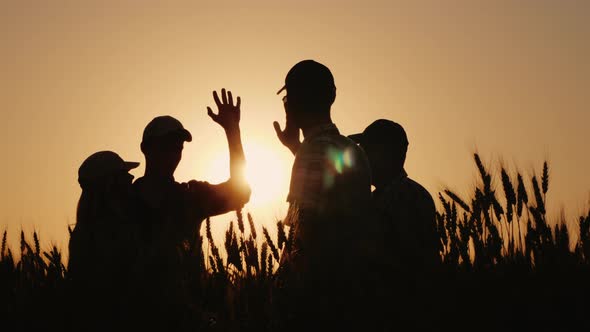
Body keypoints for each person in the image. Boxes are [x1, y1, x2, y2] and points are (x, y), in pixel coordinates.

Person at [130, 89, 251, 330]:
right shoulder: (123, 200)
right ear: (145, 148)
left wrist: (232, 131)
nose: (174, 153)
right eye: (166, 145)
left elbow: (240, 192)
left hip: (187, 318)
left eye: (178, 146)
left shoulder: (191, 196)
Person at [272, 60, 372, 329]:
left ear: (291, 103)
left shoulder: (312, 153)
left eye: (288, 97)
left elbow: (304, 233)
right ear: (332, 96)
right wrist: (296, 147)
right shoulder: (353, 150)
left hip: (316, 305)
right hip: (349, 298)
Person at [349, 119, 441, 330]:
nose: (362, 156)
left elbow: (408, 263)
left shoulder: (404, 198)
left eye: (367, 149)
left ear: (387, 154)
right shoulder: (407, 195)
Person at [68, 150, 140, 332]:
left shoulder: (87, 231)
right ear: (110, 184)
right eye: (124, 175)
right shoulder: (106, 235)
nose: (131, 178)